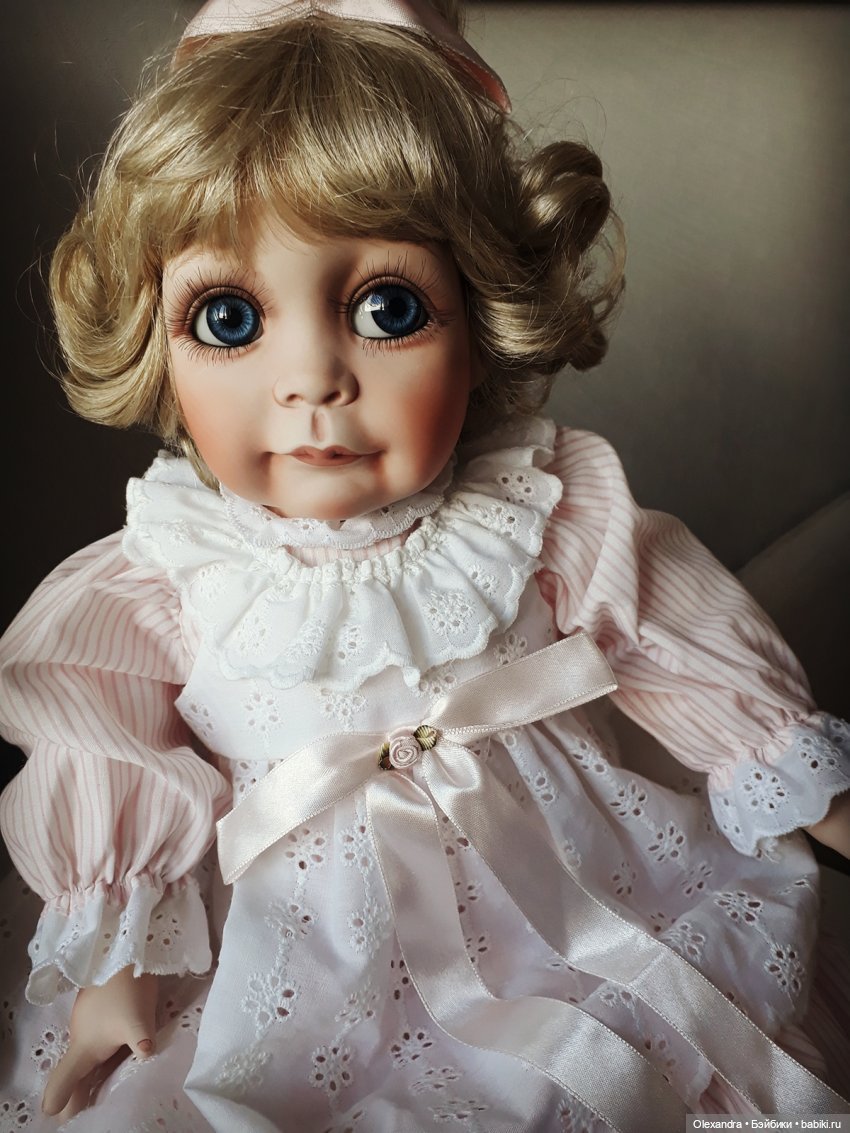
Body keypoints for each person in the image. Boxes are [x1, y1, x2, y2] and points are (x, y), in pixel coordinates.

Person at [0, 1, 848, 1129]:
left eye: (385, 307)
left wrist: (814, 784)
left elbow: (680, 643)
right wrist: (117, 963)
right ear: (157, 339)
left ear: (480, 316)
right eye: (229, 317)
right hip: (295, 948)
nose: (312, 378)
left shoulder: (545, 508)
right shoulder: (159, 573)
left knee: (643, 1056)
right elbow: (104, 752)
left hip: (571, 904)